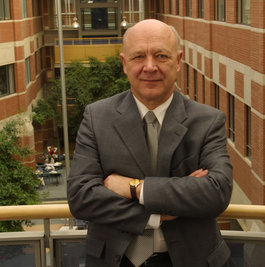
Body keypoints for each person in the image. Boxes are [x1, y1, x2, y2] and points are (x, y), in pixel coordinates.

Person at [67, 19, 233, 267]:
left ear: (178, 61)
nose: (150, 66)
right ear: (124, 64)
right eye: (138, 57)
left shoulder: (208, 121)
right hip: (115, 260)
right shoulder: (96, 117)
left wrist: (134, 189)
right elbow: (81, 196)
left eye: (161, 55)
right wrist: (156, 214)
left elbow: (216, 192)